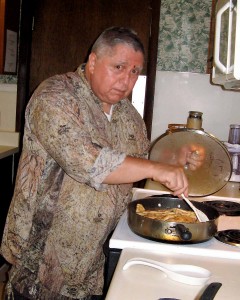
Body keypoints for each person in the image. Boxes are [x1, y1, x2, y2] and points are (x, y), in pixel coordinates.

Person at [1, 27, 202, 300]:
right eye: (118, 67)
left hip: (97, 259)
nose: (126, 80)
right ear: (93, 62)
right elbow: (91, 162)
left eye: (134, 72)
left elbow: (137, 162)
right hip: (44, 256)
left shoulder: (128, 114)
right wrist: (160, 169)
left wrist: (175, 159)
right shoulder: (55, 96)